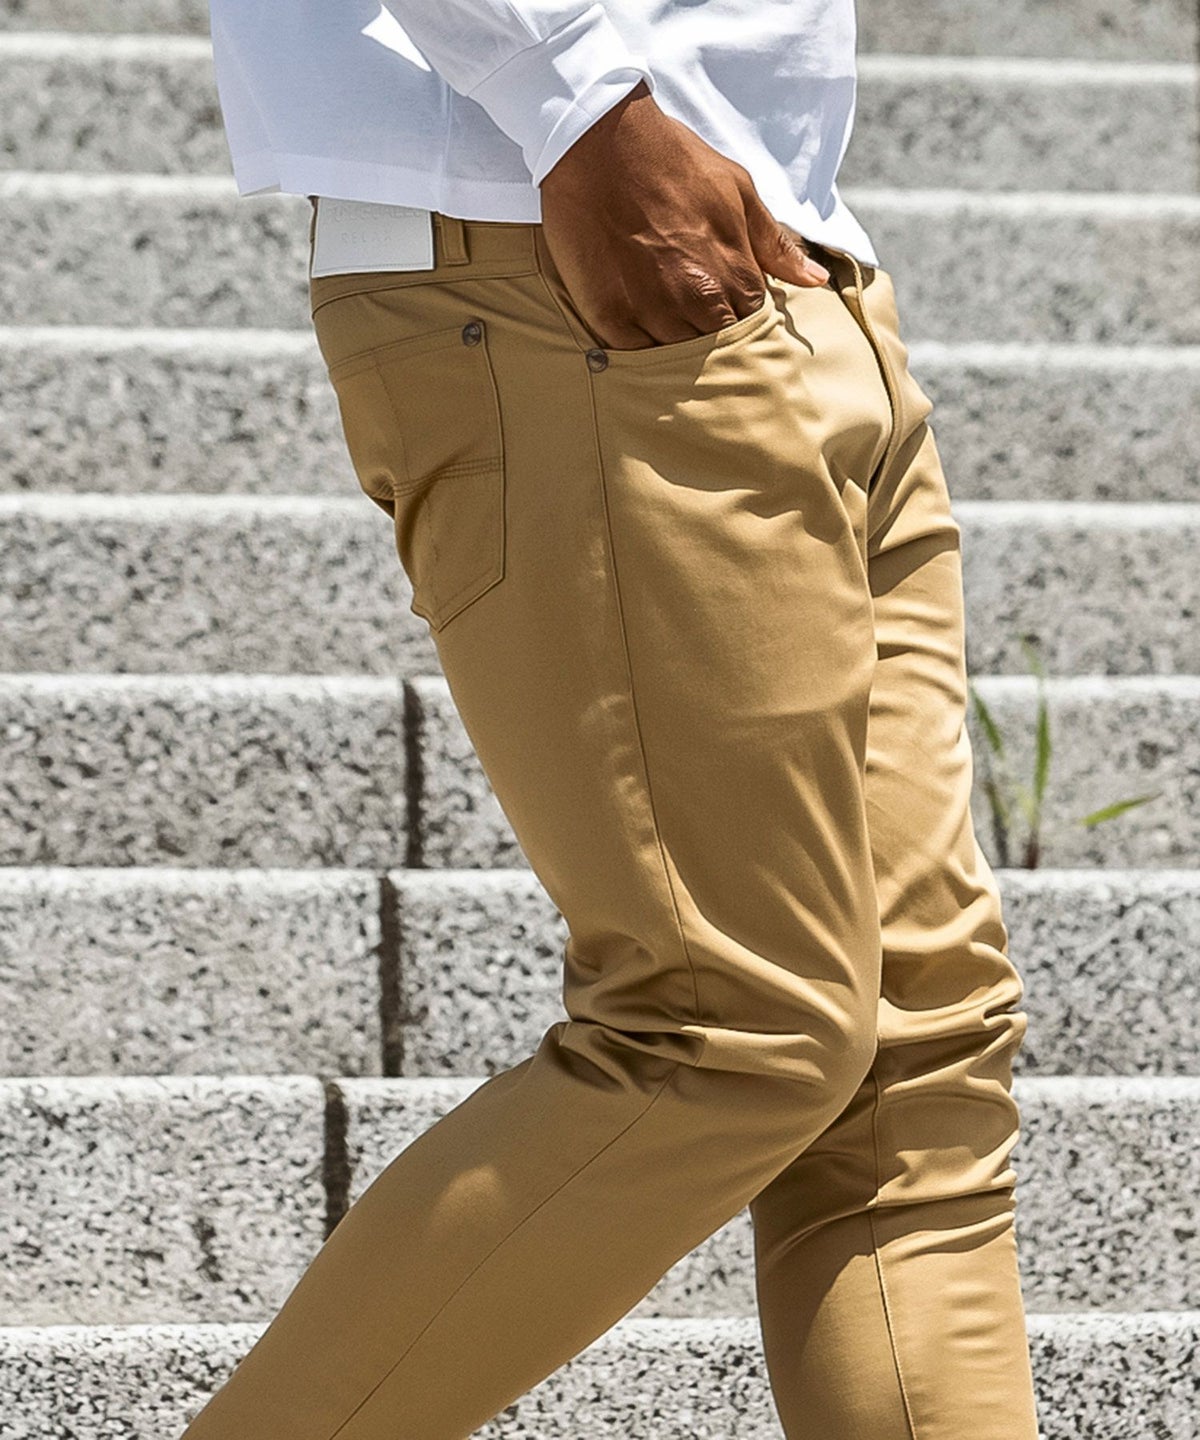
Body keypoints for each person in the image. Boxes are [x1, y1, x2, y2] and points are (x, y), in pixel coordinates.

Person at [183, 2, 1043, 1436]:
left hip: (785, 248)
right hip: (567, 230)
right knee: (731, 1026)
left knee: (915, 1056)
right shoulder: (577, 135)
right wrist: (578, 102)